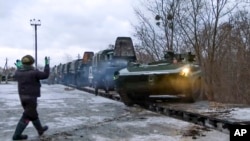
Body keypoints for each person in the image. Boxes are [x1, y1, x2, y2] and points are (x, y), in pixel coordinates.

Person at [12, 55, 50, 140]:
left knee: (33, 114)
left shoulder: (18, 72)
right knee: (27, 116)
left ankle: (40, 130)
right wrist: (47, 65)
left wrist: (19, 67)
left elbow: (16, 74)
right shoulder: (34, 72)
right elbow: (45, 75)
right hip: (31, 98)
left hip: (22, 97)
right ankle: (16, 135)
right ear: (32, 63)